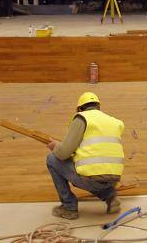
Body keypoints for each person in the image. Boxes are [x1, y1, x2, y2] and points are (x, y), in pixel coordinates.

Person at [46, 91, 125, 220]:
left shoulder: (82, 118)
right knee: (93, 173)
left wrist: (55, 147)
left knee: (52, 159)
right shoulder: (113, 121)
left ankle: (69, 207)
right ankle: (111, 197)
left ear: (80, 108)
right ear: (98, 107)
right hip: (114, 178)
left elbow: (63, 153)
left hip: (92, 179)